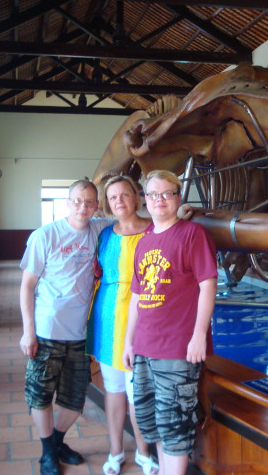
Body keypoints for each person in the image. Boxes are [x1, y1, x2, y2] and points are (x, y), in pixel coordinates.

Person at [123, 170, 218, 475]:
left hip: (177, 347)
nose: (159, 200)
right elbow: (137, 296)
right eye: (153, 194)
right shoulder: (144, 240)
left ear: (178, 198)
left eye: (167, 194)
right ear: (145, 199)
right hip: (145, 347)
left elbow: (208, 285)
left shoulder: (192, 235)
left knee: (175, 425)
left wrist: (199, 335)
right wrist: (129, 342)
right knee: (153, 422)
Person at [19, 179, 111, 475]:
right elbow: (27, 286)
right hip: (47, 331)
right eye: (77, 201)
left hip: (79, 335)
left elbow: (135, 218)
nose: (82, 207)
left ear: (96, 206)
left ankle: (56, 441)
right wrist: (28, 331)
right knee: (41, 395)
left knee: (75, 398)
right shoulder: (44, 236)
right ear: (67, 203)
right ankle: (47, 453)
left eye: (89, 202)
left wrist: (179, 212)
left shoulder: (99, 229)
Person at [87, 175, 158, 475]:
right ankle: (115, 451)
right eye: (113, 197)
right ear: (107, 203)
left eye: (125, 195)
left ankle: (144, 452)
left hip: (146, 315)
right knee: (114, 389)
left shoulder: (155, 230)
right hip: (108, 317)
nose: (119, 201)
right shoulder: (103, 234)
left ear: (137, 197)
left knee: (137, 391)